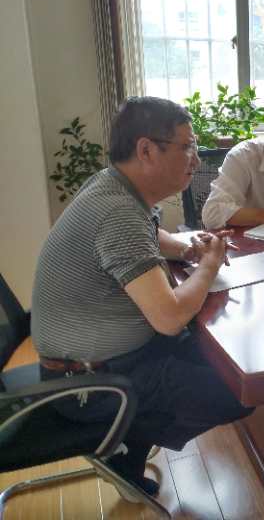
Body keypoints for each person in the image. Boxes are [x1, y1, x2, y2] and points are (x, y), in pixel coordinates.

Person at [31, 97, 252, 496]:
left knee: (220, 356)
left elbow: (149, 232)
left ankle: (128, 451)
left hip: (92, 361)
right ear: (146, 150)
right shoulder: (117, 212)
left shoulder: (113, 186)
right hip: (89, 385)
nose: (195, 158)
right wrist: (208, 265)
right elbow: (169, 317)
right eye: (186, 146)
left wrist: (186, 250)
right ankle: (124, 448)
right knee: (239, 389)